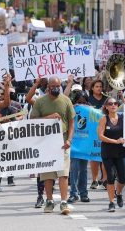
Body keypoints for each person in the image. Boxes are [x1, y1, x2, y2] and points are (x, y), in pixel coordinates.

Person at [30, 76, 74, 215]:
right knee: (48, 175)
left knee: (63, 174)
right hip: (46, 142)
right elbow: (33, 120)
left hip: (62, 140)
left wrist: (69, 140)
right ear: (48, 86)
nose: (56, 88)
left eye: (58, 85)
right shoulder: (40, 102)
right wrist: (49, 117)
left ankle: (63, 202)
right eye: (53, 86)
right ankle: (49, 201)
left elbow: (71, 123)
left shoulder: (66, 100)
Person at [98, 97, 125, 212]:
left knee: (123, 178)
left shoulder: (123, 118)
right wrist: (115, 141)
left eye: (115, 103)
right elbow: (100, 136)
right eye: (110, 104)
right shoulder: (104, 119)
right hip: (108, 152)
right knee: (110, 178)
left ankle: (118, 193)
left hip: (120, 152)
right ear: (106, 106)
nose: (113, 105)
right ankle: (111, 202)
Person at [68, 90, 91, 204]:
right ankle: (73, 193)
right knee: (74, 169)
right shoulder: (71, 108)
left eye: (84, 102)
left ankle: (83, 193)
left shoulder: (91, 111)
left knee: (83, 170)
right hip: (74, 143)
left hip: (85, 144)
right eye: (79, 101)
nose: (81, 104)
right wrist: (73, 107)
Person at [88, 79, 108, 190]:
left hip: (105, 131)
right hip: (92, 132)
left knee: (104, 157)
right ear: (92, 88)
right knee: (94, 157)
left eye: (100, 86)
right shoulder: (88, 99)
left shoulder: (106, 99)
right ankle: (94, 180)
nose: (99, 88)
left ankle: (105, 179)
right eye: (96, 86)